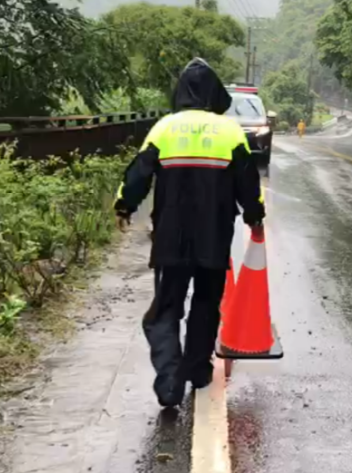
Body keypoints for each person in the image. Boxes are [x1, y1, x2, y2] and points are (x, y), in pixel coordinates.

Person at [113, 58, 265, 408]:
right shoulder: (228, 131)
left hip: (170, 236)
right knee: (206, 303)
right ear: (214, 92)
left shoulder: (165, 128)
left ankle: (169, 383)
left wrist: (125, 206)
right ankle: (197, 370)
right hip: (214, 236)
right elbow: (248, 180)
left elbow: (138, 174)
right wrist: (254, 215)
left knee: (167, 307)